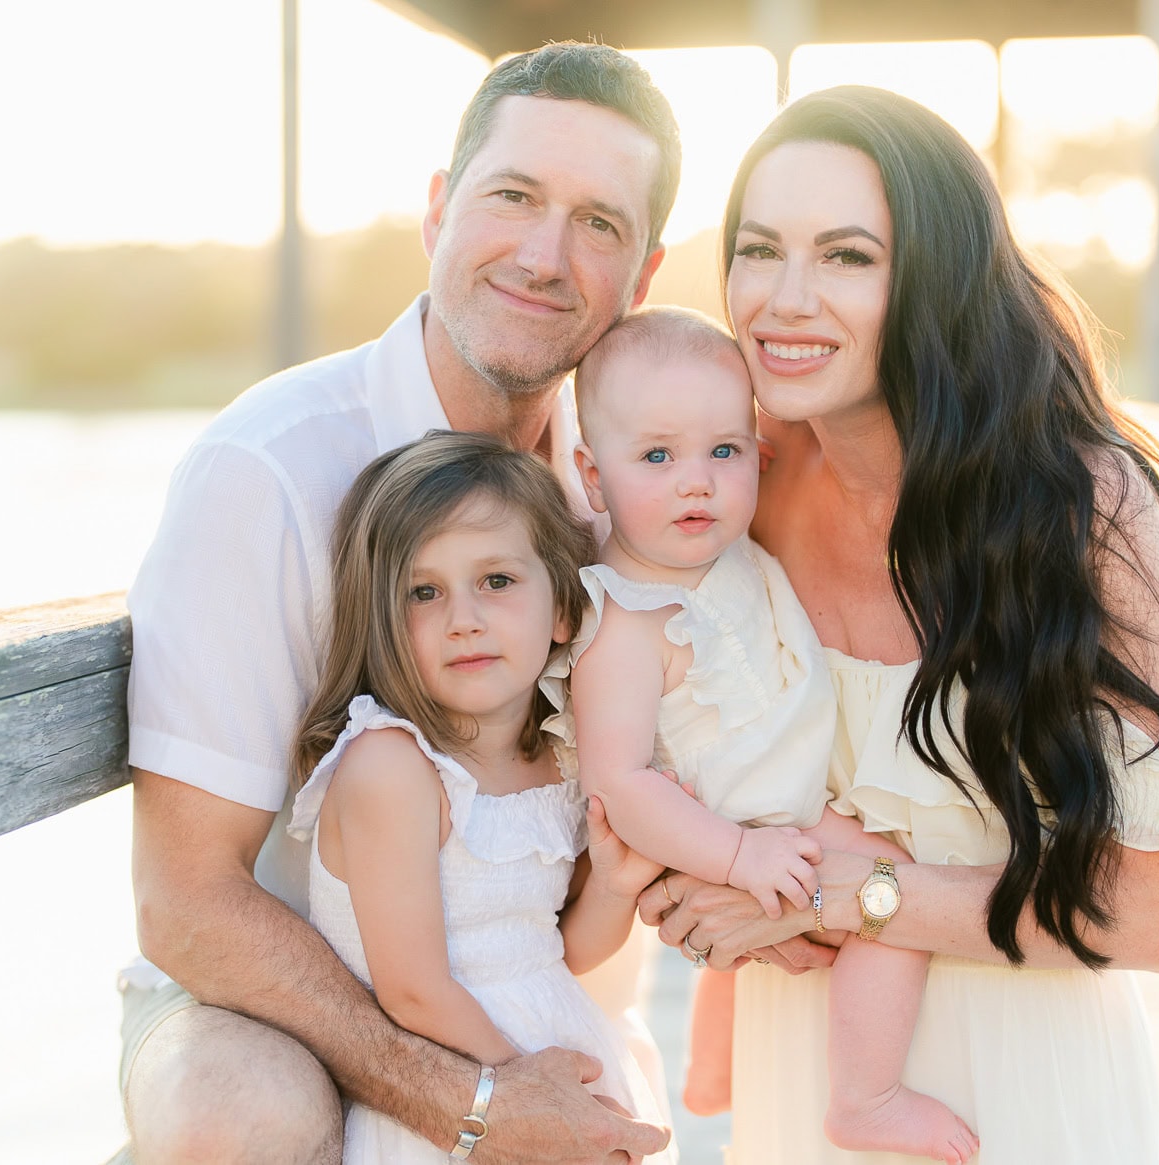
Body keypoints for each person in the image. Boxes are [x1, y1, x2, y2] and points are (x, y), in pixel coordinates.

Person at [639, 86, 1159, 1164]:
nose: (785, 299)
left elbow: (1147, 913)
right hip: (798, 1082)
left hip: (1022, 1098)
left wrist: (839, 895)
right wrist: (698, 881)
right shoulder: (738, 486)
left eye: (846, 256)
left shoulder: (1082, 504)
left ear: (935, 276)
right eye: (758, 250)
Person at [121, 42, 679, 1165]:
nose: (544, 256)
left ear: (643, 277)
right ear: (437, 210)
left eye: (597, 224)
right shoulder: (268, 471)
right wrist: (473, 1102)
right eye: (512, 196)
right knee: (239, 1111)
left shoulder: (624, 499)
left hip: (540, 989)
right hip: (266, 996)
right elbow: (186, 901)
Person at [543, 306, 976, 1162]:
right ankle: (867, 1096)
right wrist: (740, 855)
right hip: (751, 821)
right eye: (657, 457)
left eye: (724, 451)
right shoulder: (624, 624)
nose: (696, 483)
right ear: (592, 476)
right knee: (895, 892)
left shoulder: (721, 550)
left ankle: (714, 1070)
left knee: (802, 936)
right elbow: (619, 783)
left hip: (786, 793)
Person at [284, 431, 675, 1165]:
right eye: (423, 592)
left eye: (496, 580)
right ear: (383, 622)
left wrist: (615, 886)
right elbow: (414, 991)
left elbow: (559, 953)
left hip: (553, 1047)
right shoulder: (392, 768)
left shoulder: (560, 759)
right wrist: (536, 1101)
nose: (463, 618)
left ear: (562, 611)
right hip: (461, 1096)